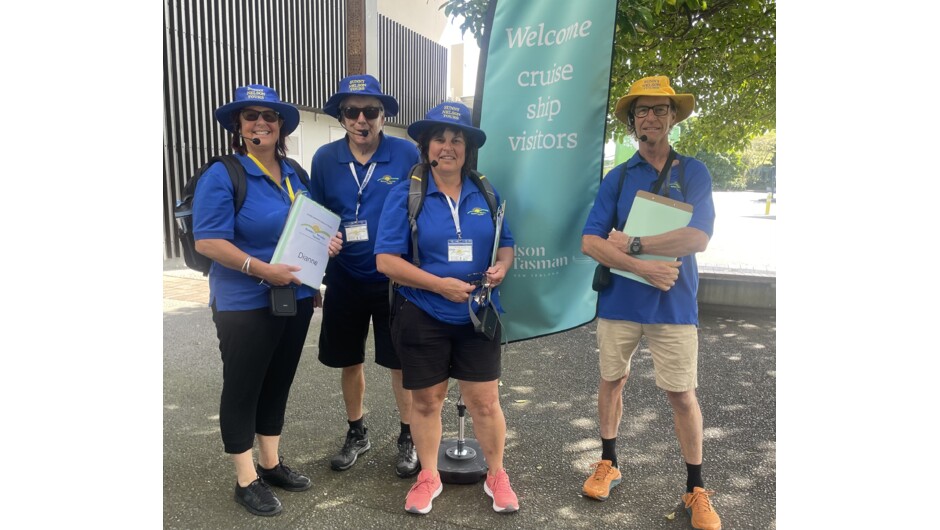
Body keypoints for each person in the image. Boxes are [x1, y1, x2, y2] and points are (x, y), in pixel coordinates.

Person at [193, 84, 343, 517]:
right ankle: (245, 478)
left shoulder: (295, 172)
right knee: (244, 387)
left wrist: (326, 244)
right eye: (251, 115)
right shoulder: (223, 174)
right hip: (244, 302)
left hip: (293, 296)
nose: (261, 122)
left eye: (270, 116)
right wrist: (262, 270)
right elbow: (208, 241)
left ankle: (271, 463)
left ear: (281, 126)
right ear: (238, 126)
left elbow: (311, 225)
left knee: (278, 380)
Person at [580, 76, 721, 530]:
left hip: (674, 305)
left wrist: (635, 243)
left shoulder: (693, 172)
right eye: (642, 110)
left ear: (673, 117)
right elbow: (590, 242)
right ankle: (608, 463)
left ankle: (695, 488)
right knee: (611, 382)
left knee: (681, 394)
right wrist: (645, 266)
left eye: (660, 109)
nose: (651, 117)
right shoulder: (618, 177)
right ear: (632, 120)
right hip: (620, 302)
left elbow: (697, 236)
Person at [374, 101, 519, 515]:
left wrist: (502, 268)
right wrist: (439, 285)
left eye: (458, 139)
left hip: (477, 311)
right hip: (423, 312)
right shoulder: (406, 194)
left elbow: (506, 243)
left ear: (468, 148)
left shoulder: (487, 193)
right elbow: (386, 261)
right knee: (426, 400)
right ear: (426, 146)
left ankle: (496, 474)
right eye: (440, 138)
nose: (449, 146)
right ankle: (429, 475)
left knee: (485, 401)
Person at [310, 74, 421, 477]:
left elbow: (422, 208)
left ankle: (408, 436)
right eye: (352, 112)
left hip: (394, 279)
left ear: (382, 116)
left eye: (370, 111)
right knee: (349, 360)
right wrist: (322, 247)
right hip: (345, 277)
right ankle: (357, 432)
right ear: (341, 117)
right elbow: (315, 217)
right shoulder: (324, 159)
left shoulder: (407, 154)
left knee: (401, 364)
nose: (361, 120)